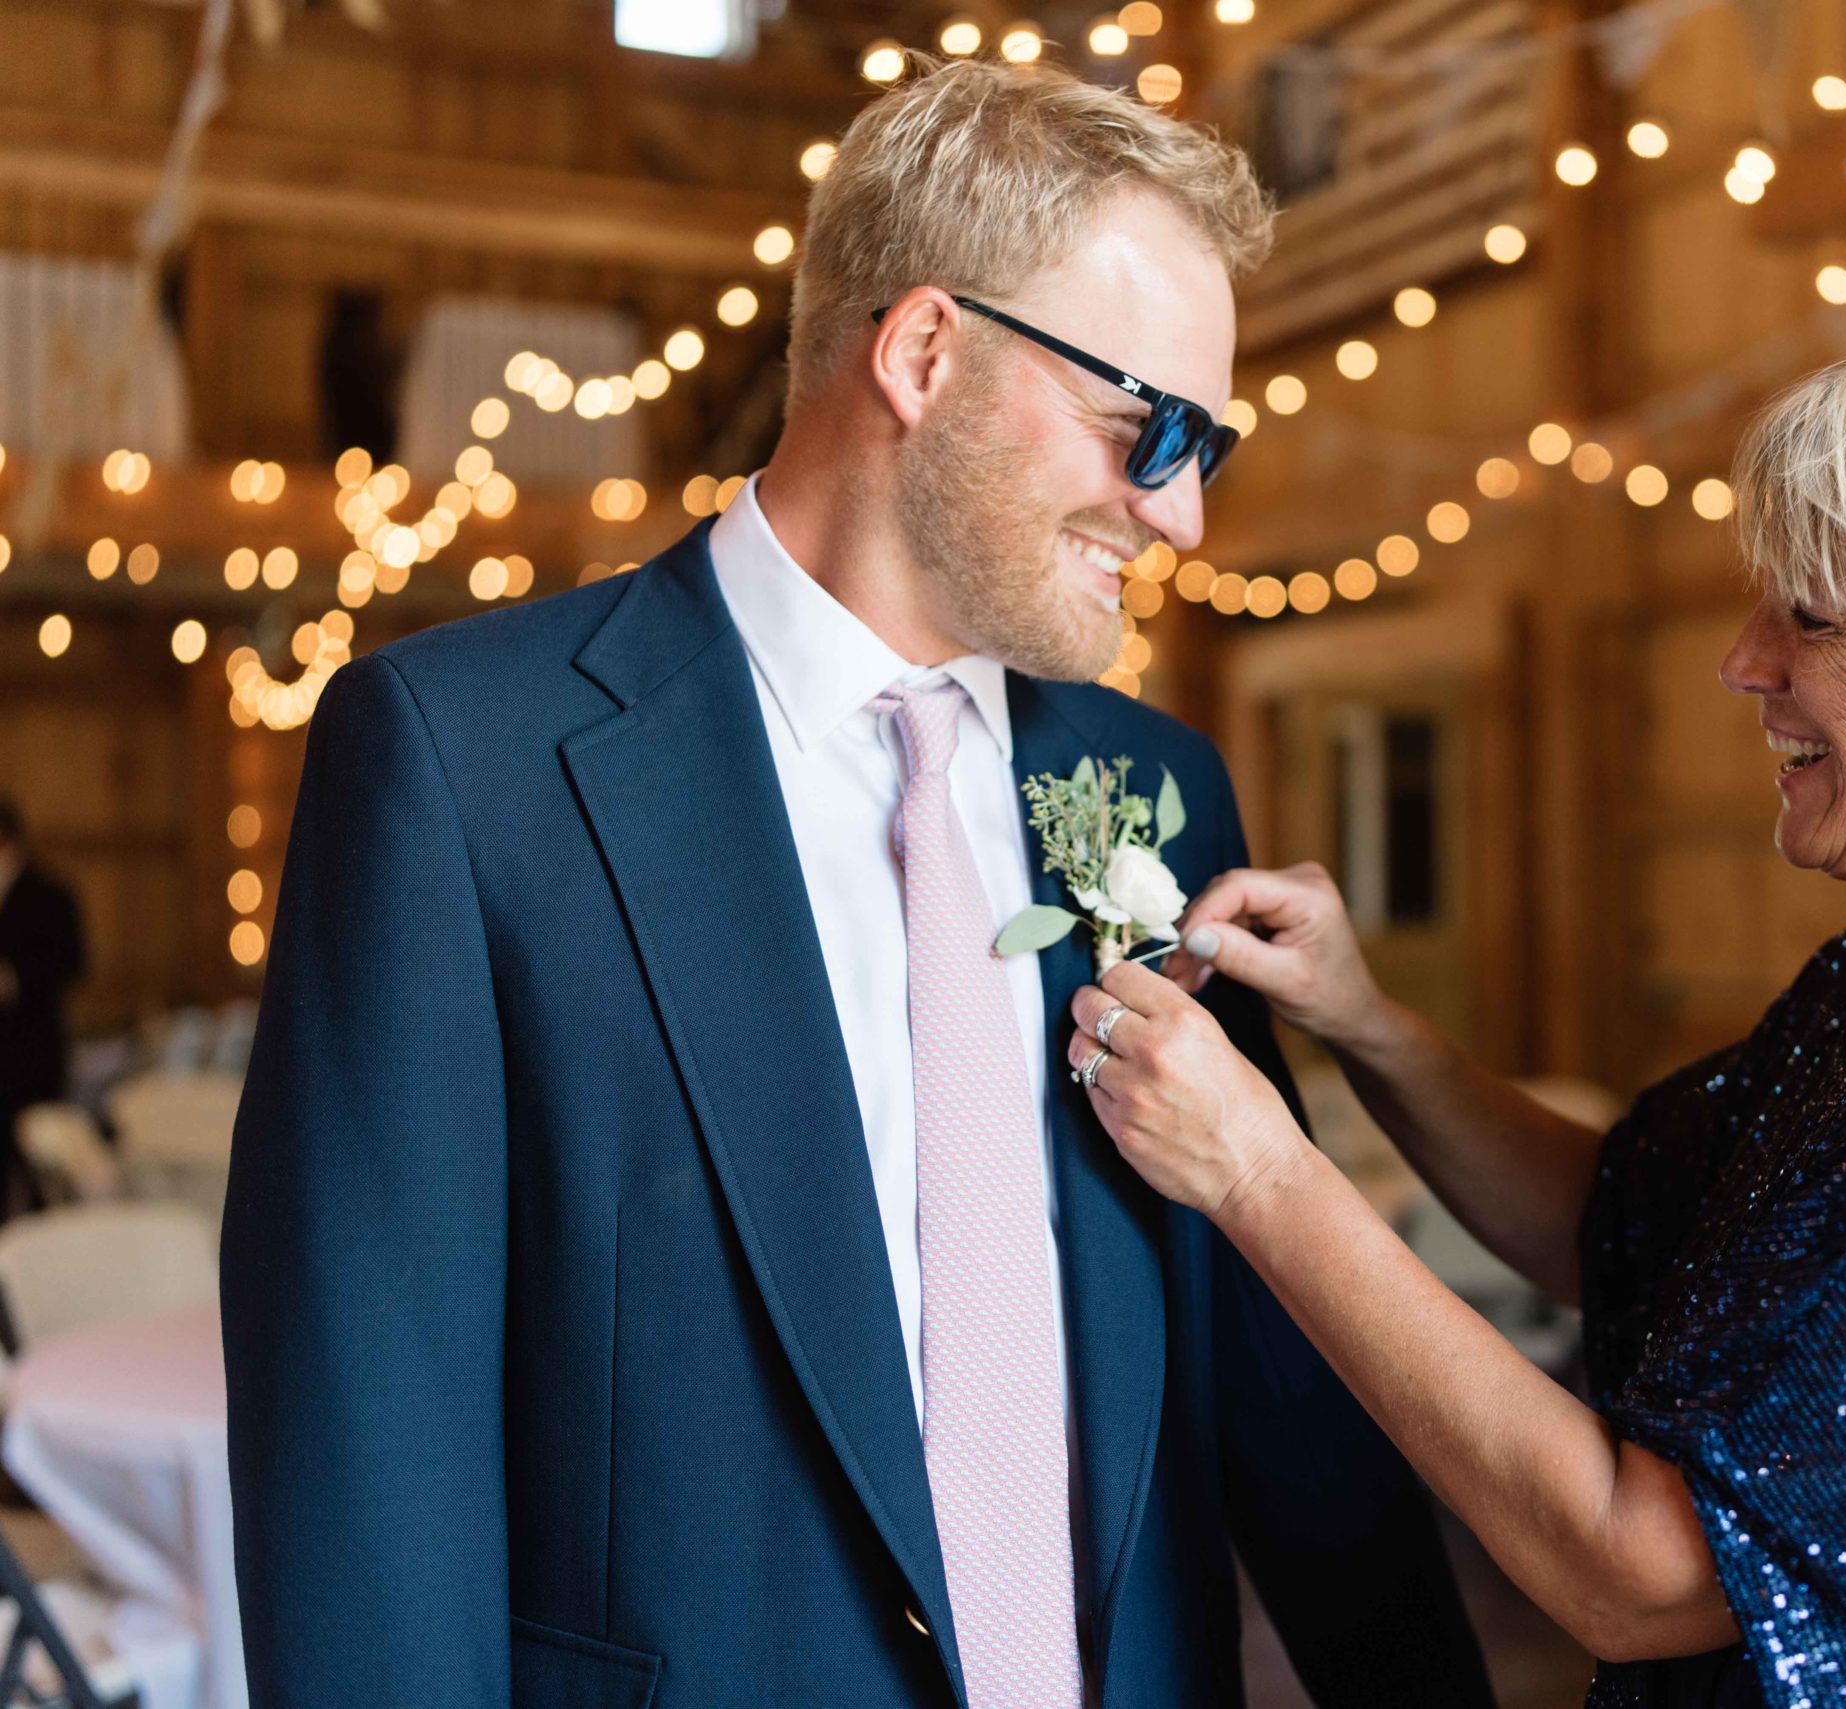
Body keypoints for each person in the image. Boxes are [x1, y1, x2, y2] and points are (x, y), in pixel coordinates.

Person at [222, 60, 1488, 1709]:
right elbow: (367, 1450)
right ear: (923, 352)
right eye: (1144, 426)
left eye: (1208, 444)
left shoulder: (1155, 792)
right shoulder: (462, 765)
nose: (1178, 508)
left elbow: (1283, 1383)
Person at [1070, 318, 1846, 1707]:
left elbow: (1637, 1572)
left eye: (1813, 618)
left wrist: (1257, 1170)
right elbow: (1611, 1222)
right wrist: (1370, 1024)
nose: (1742, 662)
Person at [0, 797, 84, 1217]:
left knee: (40, 1168)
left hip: (34, 1052)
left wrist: (15, 979)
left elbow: (74, 963)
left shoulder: (50, 894)